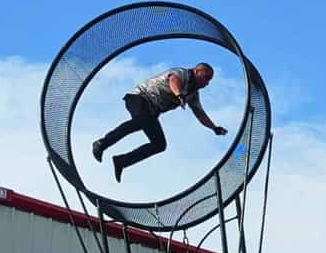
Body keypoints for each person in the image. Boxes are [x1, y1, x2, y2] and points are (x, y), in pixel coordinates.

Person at [92, 62, 227, 181]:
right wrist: (178, 95)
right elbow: (173, 80)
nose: (207, 83)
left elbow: (200, 113)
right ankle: (102, 143)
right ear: (197, 71)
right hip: (139, 98)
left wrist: (214, 128)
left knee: (159, 144)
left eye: (209, 80)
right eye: (206, 77)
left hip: (151, 112)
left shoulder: (193, 94)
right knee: (139, 121)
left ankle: (121, 161)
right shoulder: (183, 73)